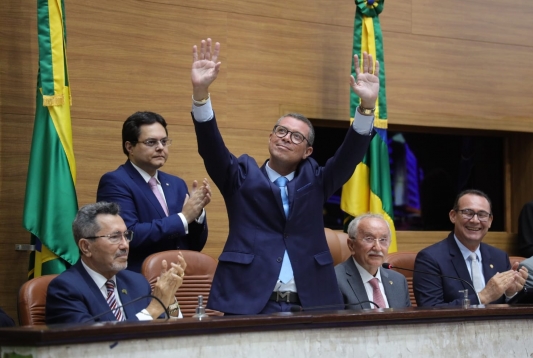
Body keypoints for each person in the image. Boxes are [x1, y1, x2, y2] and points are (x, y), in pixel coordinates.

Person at [190, 38, 376, 314]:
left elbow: (348, 156)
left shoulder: (317, 181)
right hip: (249, 302)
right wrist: (201, 94)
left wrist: (366, 107)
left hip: (310, 303)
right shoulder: (239, 177)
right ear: (270, 137)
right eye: (281, 131)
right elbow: (211, 147)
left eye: (296, 136)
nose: (286, 138)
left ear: (307, 151)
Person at [97, 111, 211, 272]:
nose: (160, 148)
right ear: (130, 147)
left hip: (181, 278)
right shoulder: (115, 182)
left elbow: (193, 245)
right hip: (140, 281)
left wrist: (197, 215)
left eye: (164, 141)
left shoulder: (176, 184)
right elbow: (128, 236)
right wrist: (183, 218)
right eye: (151, 142)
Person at [46, 202, 185, 324]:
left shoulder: (137, 282)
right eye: (114, 237)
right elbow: (90, 343)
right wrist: (153, 309)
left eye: (126, 236)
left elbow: (170, 331)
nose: (125, 245)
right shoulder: (65, 289)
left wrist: (169, 299)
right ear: (86, 247)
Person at [413, 189, 528, 307]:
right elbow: (430, 309)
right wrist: (483, 297)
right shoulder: (430, 259)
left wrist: (510, 293)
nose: (475, 220)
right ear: (453, 216)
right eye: (468, 213)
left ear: (490, 221)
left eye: (482, 215)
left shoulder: (499, 257)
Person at [335, 214, 411, 309]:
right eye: (369, 239)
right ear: (351, 245)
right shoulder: (335, 280)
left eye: (383, 240)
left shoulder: (398, 281)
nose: (377, 247)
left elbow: (406, 322)